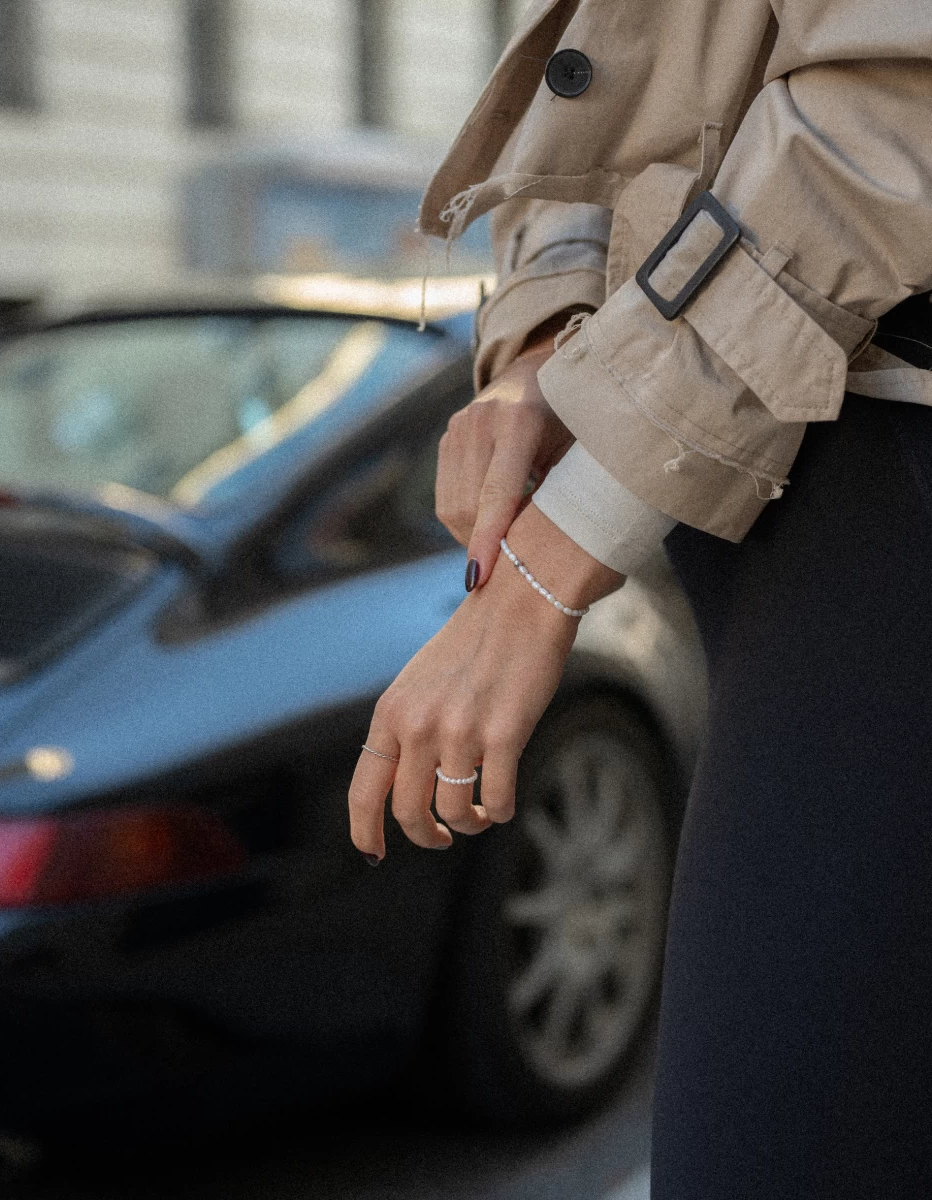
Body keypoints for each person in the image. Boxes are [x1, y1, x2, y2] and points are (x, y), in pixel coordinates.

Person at [349, 1, 932, 1194]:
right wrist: (551, 339)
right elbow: (629, 54)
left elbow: (897, 101)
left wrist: (540, 573)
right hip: (805, 496)